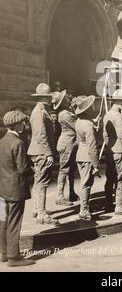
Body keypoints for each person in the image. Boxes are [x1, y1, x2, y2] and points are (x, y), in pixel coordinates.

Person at [0, 110, 35, 267]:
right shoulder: (18, 143)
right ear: (16, 124)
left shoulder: (1, 141)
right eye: (22, 122)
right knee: (14, 222)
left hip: (2, 189)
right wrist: (33, 169)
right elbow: (22, 169)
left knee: (3, 221)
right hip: (15, 190)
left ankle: (4, 253)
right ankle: (14, 257)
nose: (24, 125)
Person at [27, 83, 59, 225]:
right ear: (43, 97)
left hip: (38, 150)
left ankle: (37, 209)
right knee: (43, 182)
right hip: (41, 152)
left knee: (38, 181)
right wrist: (49, 154)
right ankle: (41, 213)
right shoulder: (40, 112)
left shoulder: (40, 110)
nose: (50, 98)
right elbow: (42, 135)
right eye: (48, 96)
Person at [75, 95, 99, 220]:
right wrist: (96, 164)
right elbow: (92, 145)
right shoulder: (88, 124)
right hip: (88, 157)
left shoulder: (79, 122)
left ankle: (85, 207)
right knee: (86, 183)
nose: (93, 107)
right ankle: (83, 210)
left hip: (80, 154)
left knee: (84, 182)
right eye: (91, 106)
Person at [52, 90, 78, 206]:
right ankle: (60, 196)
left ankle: (71, 192)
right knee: (64, 169)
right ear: (63, 101)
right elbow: (76, 125)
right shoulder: (65, 114)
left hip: (69, 143)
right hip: (67, 143)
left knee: (70, 170)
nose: (68, 97)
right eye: (66, 97)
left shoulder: (67, 112)